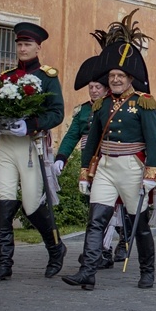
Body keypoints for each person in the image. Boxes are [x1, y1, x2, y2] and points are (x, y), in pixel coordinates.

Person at [62, 11, 156, 290]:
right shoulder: (101, 104)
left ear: (130, 78)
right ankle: (87, 271)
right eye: (113, 75)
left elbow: (155, 141)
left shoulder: (144, 103)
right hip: (105, 166)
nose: (116, 79)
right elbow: (92, 140)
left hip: (132, 166)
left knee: (138, 223)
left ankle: (147, 271)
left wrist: (151, 174)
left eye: (121, 75)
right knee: (96, 220)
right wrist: (84, 173)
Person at [0, 22, 66, 283]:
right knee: (4, 201)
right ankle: (4, 264)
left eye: (27, 44)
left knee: (31, 206)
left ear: (38, 47)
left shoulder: (47, 77)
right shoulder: (6, 77)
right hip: (7, 145)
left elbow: (57, 112)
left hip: (31, 145)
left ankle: (56, 248)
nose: (22, 48)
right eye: (19, 44)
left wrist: (30, 125)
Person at [53, 58, 122, 269]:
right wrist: (61, 157)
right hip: (89, 163)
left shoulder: (113, 108)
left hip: (109, 161)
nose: (92, 91)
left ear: (106, 89)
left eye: (97, 87)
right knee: (95, 207)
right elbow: (73, 134)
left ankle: (107, 248)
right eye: (90, 87)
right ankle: (101, 248)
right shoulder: (83, 110)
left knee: (110, 207)